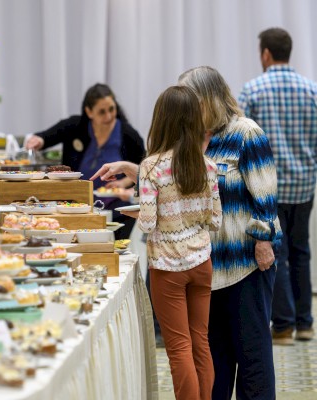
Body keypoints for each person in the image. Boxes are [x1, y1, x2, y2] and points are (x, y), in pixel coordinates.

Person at [92, 66, 282, 400]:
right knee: (215, 359)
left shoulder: (246, 133)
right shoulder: (197, 139)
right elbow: (175, 181)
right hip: (208, 267)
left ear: (209, 98)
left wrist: (264, 241)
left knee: (252, 359)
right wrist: (135, 171)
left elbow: (266, 194)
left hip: (245, 265)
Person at [137, 85, 222, 400]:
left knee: (179, 347)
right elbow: (215, 220)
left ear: (163, 120)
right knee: (200, 342)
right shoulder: (207, 165)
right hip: (201, 263)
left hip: (167, 267)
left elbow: (147, 222)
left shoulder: (152, 167)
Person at [238, 27, 317, 345]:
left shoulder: (252, 90)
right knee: (302, 250)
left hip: (268, 187)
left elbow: (240, 137)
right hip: (304, 185)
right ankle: (305, 323)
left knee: (279, 253)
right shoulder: (311, 90)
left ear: (266, 54)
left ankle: (282, 326)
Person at [25, 83, 145, 239]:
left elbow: (143, 169)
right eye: (102, 112)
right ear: (89, 112)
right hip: (75, 205)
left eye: (111, 109)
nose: (108, 116)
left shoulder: (128, 134)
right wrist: (38, 141)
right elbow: (45, 136)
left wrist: (123, 184)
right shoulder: (75, 126)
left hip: (117, 209)